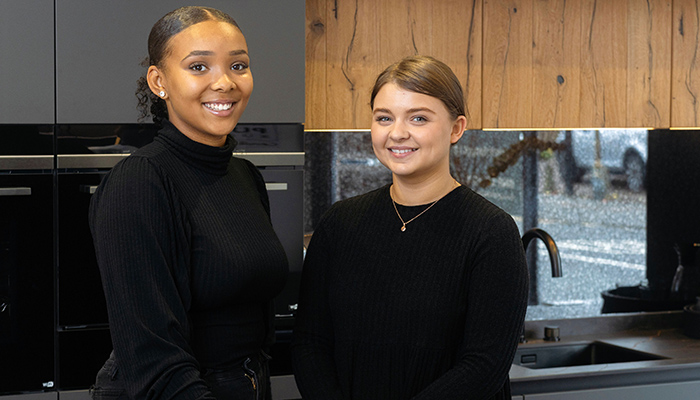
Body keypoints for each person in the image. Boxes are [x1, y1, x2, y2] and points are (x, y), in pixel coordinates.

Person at [290, 55, 529, 400]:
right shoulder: (339, 224)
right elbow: (310, 343)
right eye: (384, 118)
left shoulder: (491, 232)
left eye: (418, 118)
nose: (397, 133)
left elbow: (484, 365)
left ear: (456, 128)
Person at [88, 6, 288, 400]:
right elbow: (154, 362)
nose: (225, 82)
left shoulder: (244, 175)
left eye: (238, 66)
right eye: (199, 67)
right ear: (159, 81)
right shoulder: (139, 182)